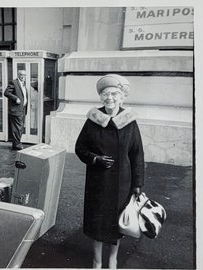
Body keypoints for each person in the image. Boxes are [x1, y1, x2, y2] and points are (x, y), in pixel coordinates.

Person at [75, 74, 145, 269]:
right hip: (98, 181)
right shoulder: (93, 120)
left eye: (114, 94)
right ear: (101, 97)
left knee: (117, 222)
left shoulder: (129, 121)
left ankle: (113, 259)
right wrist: (95, 159)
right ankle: (96, 261)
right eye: (106, 94)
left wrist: (138, 183)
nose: (110, 98)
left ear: (121, 97)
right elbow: (80, 148)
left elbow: (137, 153)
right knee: (97, 222)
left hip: (122, 182)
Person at [4, 69, 28, 150]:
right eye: (21, 74)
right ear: (18, 75)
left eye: (24, 75)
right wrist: (15, 98)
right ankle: (17, 145)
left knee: (19, 128)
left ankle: (15, 144)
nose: (23, 76)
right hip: (16, 110)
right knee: (17, 128)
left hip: (22, 109)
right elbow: (6, 93)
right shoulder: (14, 82)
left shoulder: (23, 84)